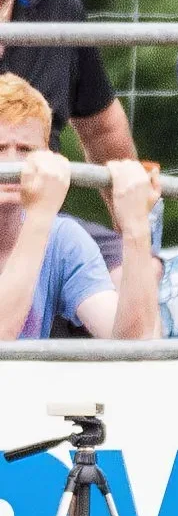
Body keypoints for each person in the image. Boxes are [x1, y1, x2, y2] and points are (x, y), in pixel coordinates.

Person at [0, 0, 142, 276]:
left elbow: (102, 130)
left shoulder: (57, 7)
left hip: (43, 225)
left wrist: (133, 224)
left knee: (136, 268)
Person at [0, 74, 158, 339]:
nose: (12, 164)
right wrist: (40, 216)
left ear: (49, 156)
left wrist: (136, 228)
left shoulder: (62, 239)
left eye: (26, 149)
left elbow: (134, 347)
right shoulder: (43, 223)